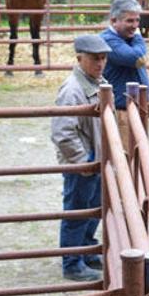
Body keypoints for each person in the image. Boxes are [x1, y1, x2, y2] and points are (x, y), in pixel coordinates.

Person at [51, 35, 111, 282]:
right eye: (95, 59)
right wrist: (83, 161)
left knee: (92, 207)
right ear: (80, 59)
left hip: (93, 158)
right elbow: (62, 133)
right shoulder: (73, 90)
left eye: (103, 58)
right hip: (83, 162)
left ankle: (86, 250)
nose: (100, 63)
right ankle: (72, 261)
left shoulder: (96, 83)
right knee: (77, 210)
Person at [100, 0, 149, 154]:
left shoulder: (128, 39)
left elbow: (137, 55)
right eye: (130, 21)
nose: (135, 26)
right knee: (125, 154)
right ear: (114, 21)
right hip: (121, 110)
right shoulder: (108, 40)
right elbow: (135, 58)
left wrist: (136, 40)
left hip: (136, 107)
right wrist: (138, 38)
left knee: (138, 154)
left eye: (137, 20)